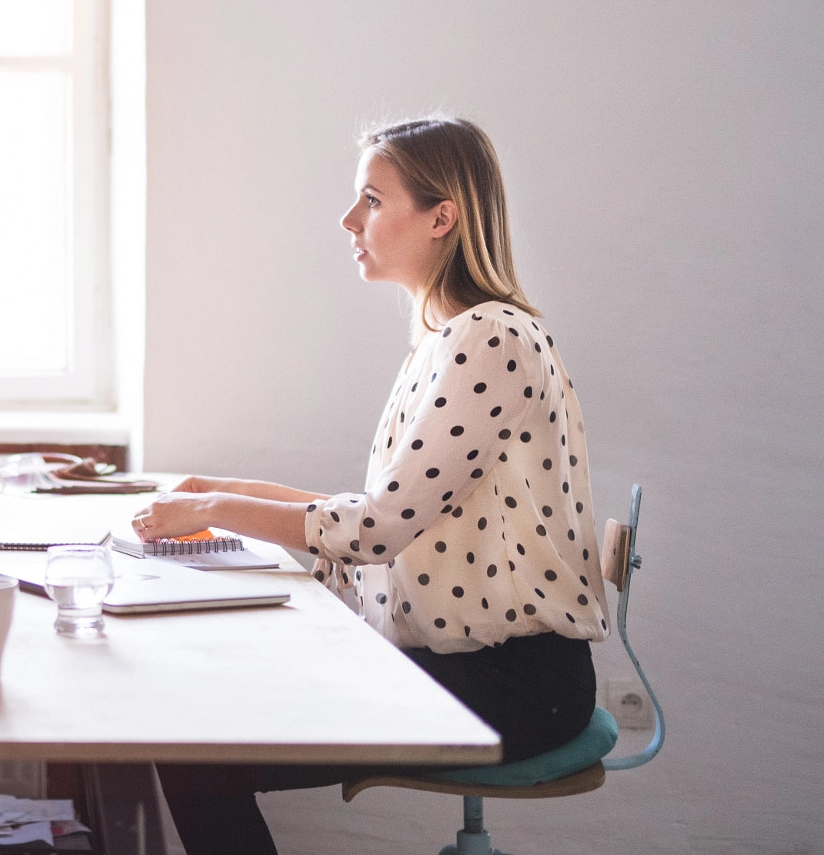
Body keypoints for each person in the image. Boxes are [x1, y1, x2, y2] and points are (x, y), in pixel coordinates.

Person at [137, 116, 606, 855]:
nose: (349, 220)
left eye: (372, 199)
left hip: (512, 685)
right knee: (199, 730)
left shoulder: (491, 337)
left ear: (441, 216)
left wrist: (211, 507)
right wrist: (220, 488)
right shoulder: (448, 336)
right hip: (470, 668)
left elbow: (373, 529)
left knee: (198, 752)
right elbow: (386, 511)